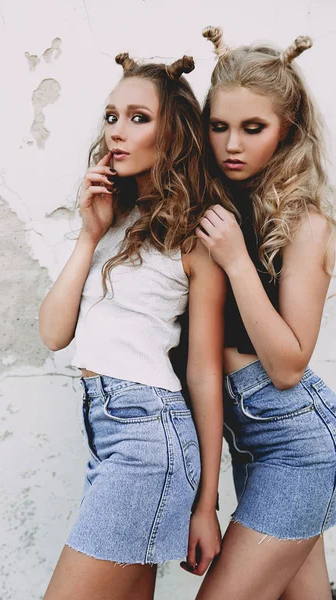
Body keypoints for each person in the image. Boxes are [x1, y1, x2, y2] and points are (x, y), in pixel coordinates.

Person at [39, 52, 225, 600]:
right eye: (112, 116)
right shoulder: (111, 218)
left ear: (175, 133)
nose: (118, 132)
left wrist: (207, 505)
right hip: (111, 435)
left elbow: (205, 374)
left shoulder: (197, 235)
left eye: (139, 118)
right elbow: (54, 333)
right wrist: (87, 235)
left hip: (148, 439)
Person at [189, 26, 336, 600]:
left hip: (294, 442)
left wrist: (236, 261)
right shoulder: (218, 203)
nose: (232, 144)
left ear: (288, 130)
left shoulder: (307, 225)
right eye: (219, 126)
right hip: (250, 440)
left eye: (254, 128)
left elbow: (287, 366)